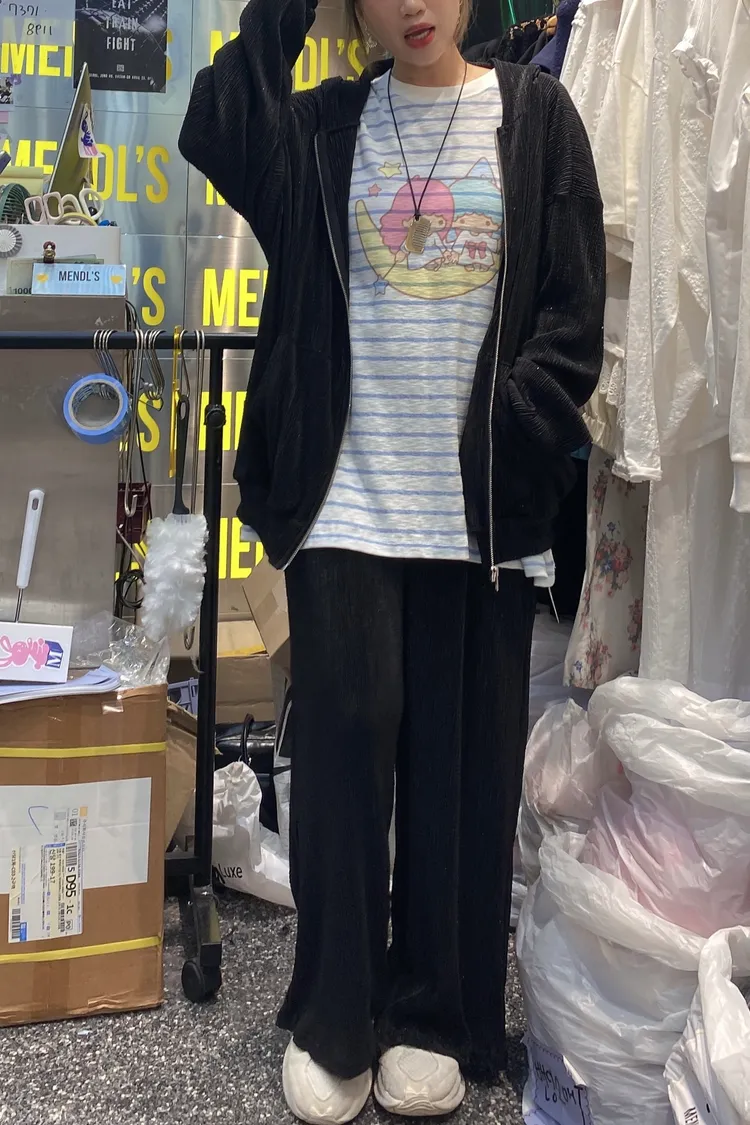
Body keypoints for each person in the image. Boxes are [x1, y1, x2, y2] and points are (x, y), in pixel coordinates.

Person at [179, 1, 605, 1121]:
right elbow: (217, 122)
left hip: (479, 519)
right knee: (341, 758)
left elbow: (573, 316)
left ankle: (434, 1013)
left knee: (459, 772)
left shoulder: (538, 117)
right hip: (345, 507)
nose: (412, 4)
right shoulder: (321, 129)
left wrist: (516, 424)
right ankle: (335, 1015)